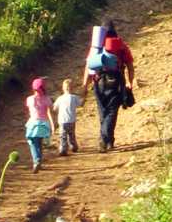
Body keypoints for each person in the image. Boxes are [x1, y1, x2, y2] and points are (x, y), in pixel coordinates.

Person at [82, 24, 135, 152]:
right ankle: (104, 138)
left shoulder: (97, 46)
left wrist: (84, 85)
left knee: (103, 112)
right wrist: (130, 81)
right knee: (112, 111)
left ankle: (109, 141)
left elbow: (88, 65)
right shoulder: (121, 46)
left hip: (98, 83)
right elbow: (129, 65)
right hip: (116, 82)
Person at [24, 77, 52, 170]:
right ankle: (39, 160)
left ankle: (36, 160)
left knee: (32, 143)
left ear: (33, 88)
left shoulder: (29, 99)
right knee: (39, 142)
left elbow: (29, 110)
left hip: (33, 123)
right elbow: (49, 111)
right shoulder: (46, 99)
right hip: (43, 124)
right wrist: (52, 124)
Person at [54, 79, 82, 155]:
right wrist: (85, 96)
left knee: (62, 135)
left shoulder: (60, 98)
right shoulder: (74, 97)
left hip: (62, 120)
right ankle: (73, 145)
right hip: (71, 120)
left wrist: (58, 111)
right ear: (72, 88)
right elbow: (81, 103)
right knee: (71, 134)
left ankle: (63, 149)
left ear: (63, 89)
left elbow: (55, 108)